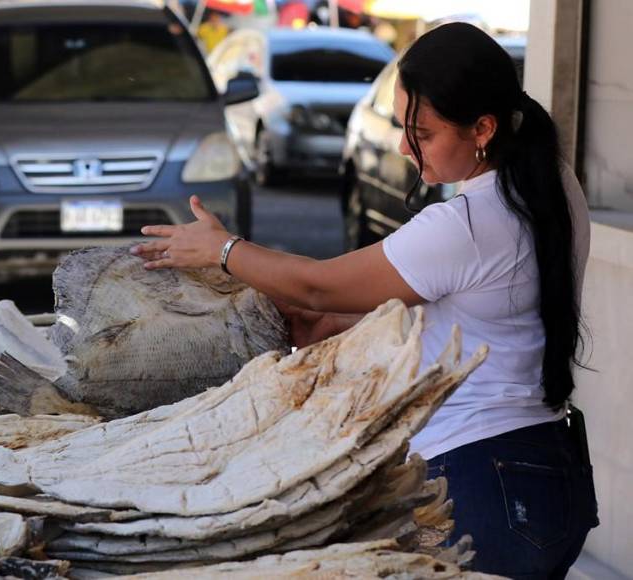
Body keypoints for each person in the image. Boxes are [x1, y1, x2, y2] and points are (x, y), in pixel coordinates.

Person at [131, 23, 598, 578]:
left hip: (482, 477)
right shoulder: (551, 183)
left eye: (421, 132)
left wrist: (222, 249)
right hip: (547, 464)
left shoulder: (467, 224)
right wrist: (332, 322)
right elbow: (483, 304)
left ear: (483, 129)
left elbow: (316, 283)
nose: (403, 145)